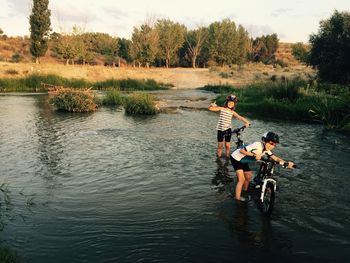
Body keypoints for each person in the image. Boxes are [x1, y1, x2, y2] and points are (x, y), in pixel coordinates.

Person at [230, 131, 295, 202]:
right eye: (271, 143)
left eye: (274, 145)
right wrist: (254, 155)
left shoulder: (266, 150)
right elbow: (242, 151)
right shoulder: (257, 145)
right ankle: (237, 198)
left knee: (248, 176)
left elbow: (275, 158)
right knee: (241, 179)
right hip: (236, 158)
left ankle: (244, 191)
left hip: (244, 160)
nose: (272, 146)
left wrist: (286, 163)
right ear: (264, 141)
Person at [208, 94, 250, 159]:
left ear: (234, 104)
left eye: (232, 103)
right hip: (220, 130)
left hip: (228, 130)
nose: (230, 104)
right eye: (229, 102)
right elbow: (211, 109)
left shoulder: (232, 112)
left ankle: (227, 157)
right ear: (227, 102)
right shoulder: (222, 108)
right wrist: (211, 105)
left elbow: (240, 117)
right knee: (220, 146)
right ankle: (218, 158)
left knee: (227, 146)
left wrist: (247, 122)